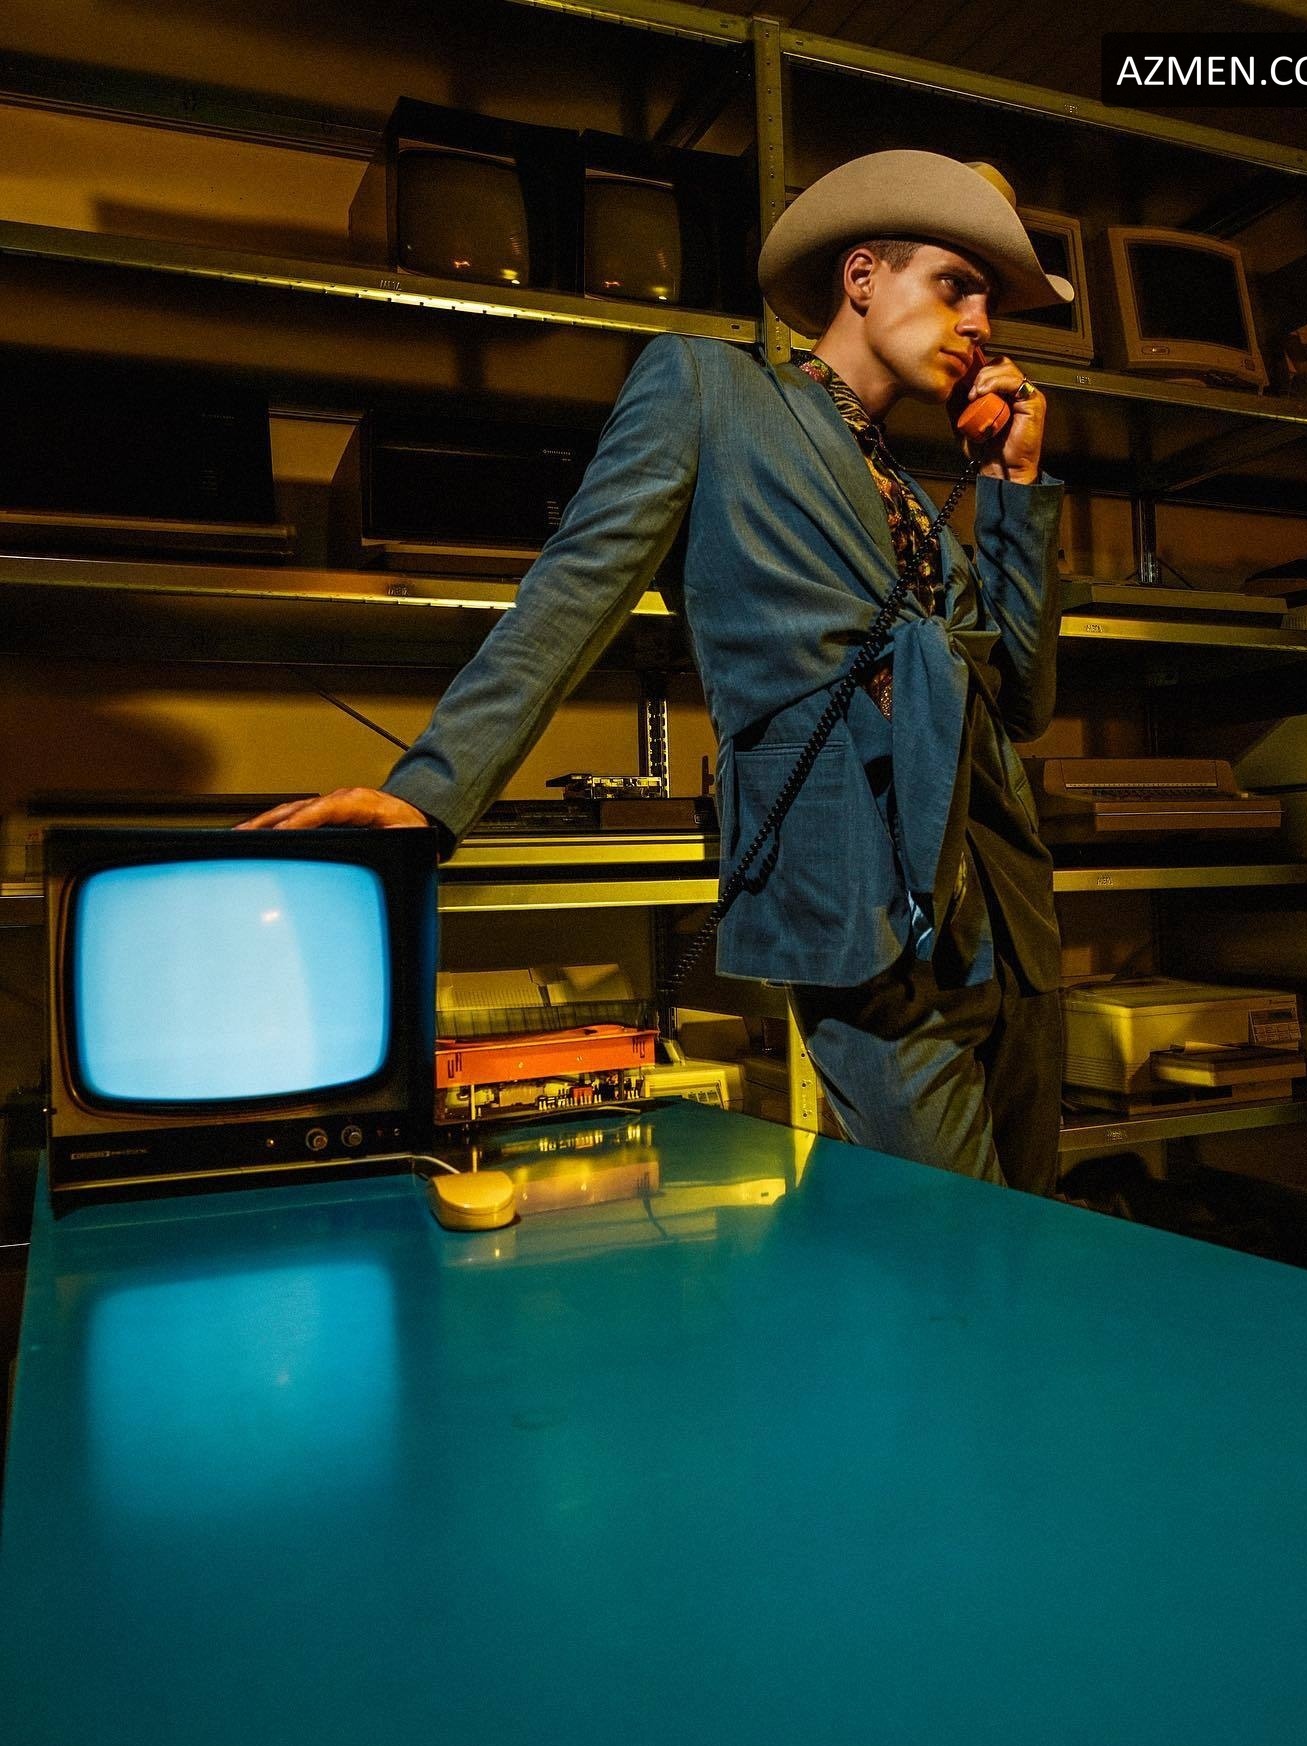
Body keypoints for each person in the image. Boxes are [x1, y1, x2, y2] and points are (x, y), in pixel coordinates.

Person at [242, 150, 1071, 1195]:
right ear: (863, 276)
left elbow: (1024, 700)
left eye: (989, 302)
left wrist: (1014, 487)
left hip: (1006, 921)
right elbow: (572, 593)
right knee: (953, 1241)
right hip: (860, 908)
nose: (981, 323)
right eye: (957, 286)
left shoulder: (922, 501)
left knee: (1035, 1238)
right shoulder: (709, 391)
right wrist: (428, 796)